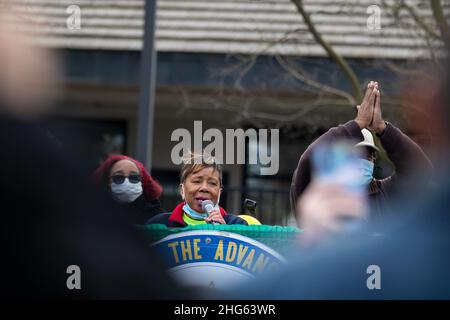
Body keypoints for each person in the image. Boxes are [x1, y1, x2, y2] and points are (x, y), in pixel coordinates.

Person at [291, 81, 433, 227]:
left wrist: (382, 128)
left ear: (373, 158)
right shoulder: (320, 197)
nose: (361, 160)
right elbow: (309, 159)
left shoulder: (387, 193)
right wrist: (357, 125)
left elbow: (419, 168)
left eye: (367, 154)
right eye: (354, 155)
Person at [148, 152, 248, 227]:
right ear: (182, 190)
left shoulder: (237, 225)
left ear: (219, 192)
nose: (204, 188)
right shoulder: (159, 225)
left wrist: (225, 233)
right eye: (197, 181)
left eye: (212, 183)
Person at [92, 155, 165, 224]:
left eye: (134, 177)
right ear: (108, 182)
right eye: (118, 177)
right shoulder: (93, 215)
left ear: (142, 182)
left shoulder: (159, 219)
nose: (126, 182)